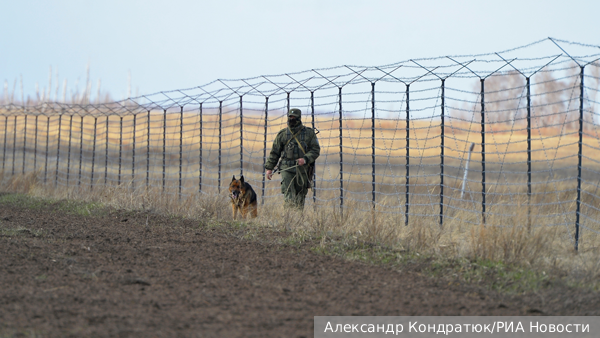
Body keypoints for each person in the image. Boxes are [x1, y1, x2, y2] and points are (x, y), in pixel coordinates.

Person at [265, 108, 320, 210]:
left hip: (302, 169)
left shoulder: (309, 133)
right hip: (286, 168)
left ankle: (297, 220)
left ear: (299, 118)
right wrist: (269, 168)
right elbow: (275, 152)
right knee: (289, 194)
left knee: (300, 195)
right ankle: (289, 218)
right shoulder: (283, 134)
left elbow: (315, 150)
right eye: (290, 117)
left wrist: (305, 159)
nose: (292, 119)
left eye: (294, 117)